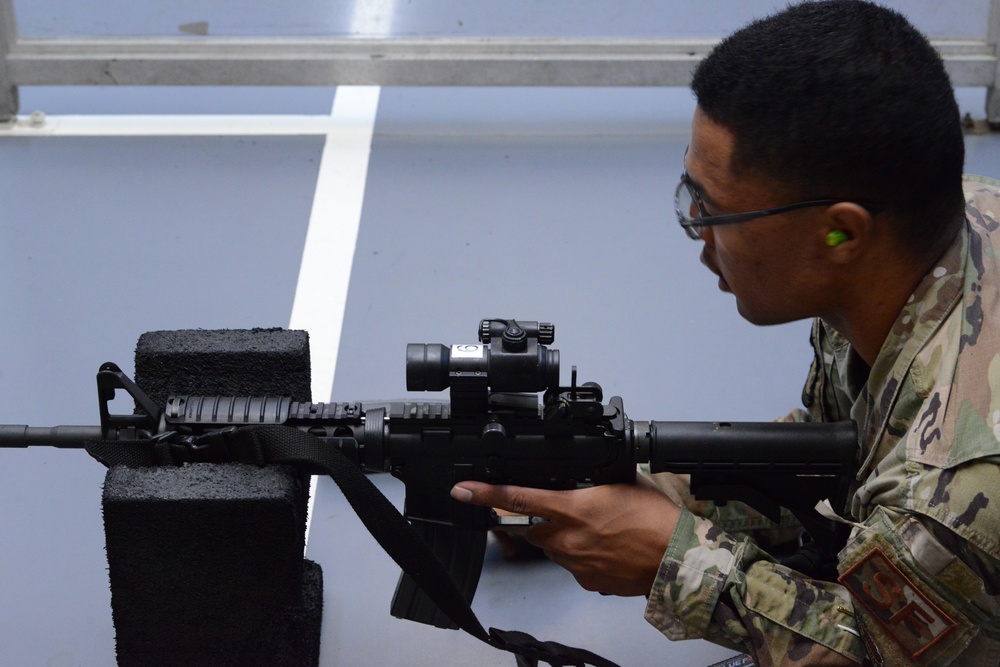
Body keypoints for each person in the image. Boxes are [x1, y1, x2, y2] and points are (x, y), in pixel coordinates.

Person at [450, 1, 1000, 665]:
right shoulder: (944, 220)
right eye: (691, 195)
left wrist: (674, 560)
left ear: (841, 232)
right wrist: (643, 487)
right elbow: (846, 457)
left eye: (714, 210)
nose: (695, 231)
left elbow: (879, 652)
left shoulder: (955, 487)